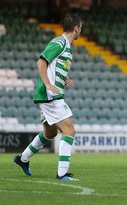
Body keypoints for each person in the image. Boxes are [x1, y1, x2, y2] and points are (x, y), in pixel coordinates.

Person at [13, 14, 82, 181]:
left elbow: (54, 65)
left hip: (49, 93)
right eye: (81, 27)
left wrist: (65, 78)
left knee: (50, 133)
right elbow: (41, 62)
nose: (81, 30)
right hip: (50, 95)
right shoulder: (58, 42)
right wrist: (48, 84)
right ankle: (62, 174)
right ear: (76, 28)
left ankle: (22, 159)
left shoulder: (65, 46)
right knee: (69, 131)